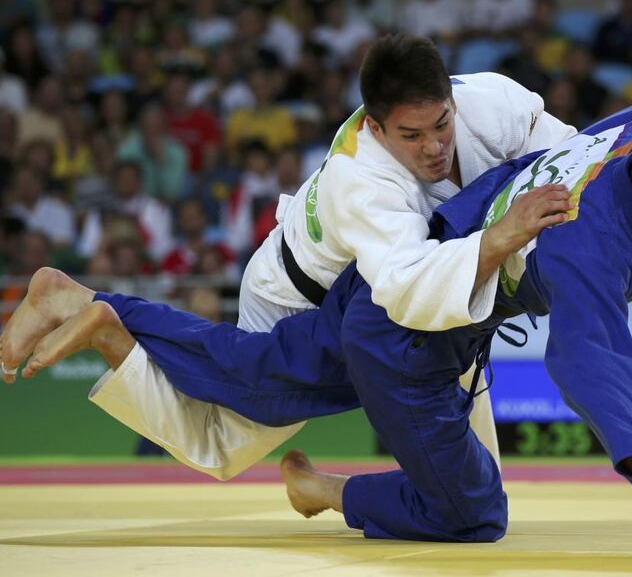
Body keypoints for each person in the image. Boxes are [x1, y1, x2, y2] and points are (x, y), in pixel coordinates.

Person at [6, 65, 632, 542]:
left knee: (254, 379)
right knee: (477, 513)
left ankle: (100, 305)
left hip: (396, 290)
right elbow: (588, 358)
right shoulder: (590, 238)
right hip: (415, 334)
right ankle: (331, 490)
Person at [3, 34, 577, 477]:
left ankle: (474, 498)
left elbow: (569, 153)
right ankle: (100, 317)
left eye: (441, 124)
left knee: (463, 384)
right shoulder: (362, 177)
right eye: (411, 135)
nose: (434, 146)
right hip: (296, 298)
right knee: (218, 446)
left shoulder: (492, 100)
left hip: (376, 299)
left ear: (453, 97)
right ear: (375, 126)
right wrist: (503, 237)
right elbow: (412, 291)